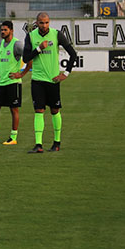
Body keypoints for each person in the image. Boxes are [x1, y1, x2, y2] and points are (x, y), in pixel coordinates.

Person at [22, 12, 78, 153]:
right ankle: (38, 145)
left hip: (53, 81)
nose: (44, 25)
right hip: (37, 80)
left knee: (55, 111)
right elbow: (26, 57)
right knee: (39, 111)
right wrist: (39, 48)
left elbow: (73, 53)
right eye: (41, 23)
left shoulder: (57, 34)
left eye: (46, 22)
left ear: (49, 22)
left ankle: (57, 142)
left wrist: (66, 73)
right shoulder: (30, 36)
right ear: (37, 23)